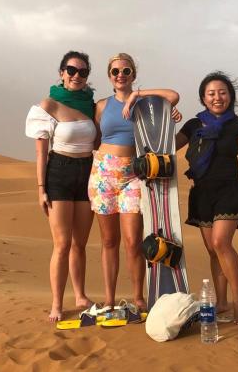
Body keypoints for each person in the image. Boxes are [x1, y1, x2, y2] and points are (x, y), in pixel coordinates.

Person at [88, 53, 181, 311]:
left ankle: (138, 297)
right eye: (115, 71)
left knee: (132, 241)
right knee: (108, 241)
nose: (120, 75)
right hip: (104, 173)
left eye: (126, 71)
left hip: (133, 176)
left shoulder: (144, 103)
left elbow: (172, 96)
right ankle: (109, 299)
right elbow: (94, 140)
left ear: (133, 75)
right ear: (109, 76)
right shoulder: (101, 106)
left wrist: (136, 95)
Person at [175, 71, 238, 324]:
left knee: (222, 243)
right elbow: (168, 143)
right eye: (211, 93)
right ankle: (220, 302)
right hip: (202, 192)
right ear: (203, 97)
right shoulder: (193, 125)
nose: (217, 97)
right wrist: (168, 118)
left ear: (230, 96)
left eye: (222, 92)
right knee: (212, 250)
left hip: (230, 190)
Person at [25, 51, 96, 322]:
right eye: (71, 70)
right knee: (62, 244)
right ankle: (57, 303)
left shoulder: (90, 105)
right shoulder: (49, 105)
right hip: (59, 173)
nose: (76, 75)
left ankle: (80, 296)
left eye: (82, 71)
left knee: (81, 243)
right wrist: (41, 187)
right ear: (61, 73)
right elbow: (41, 152)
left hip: (86, 173)